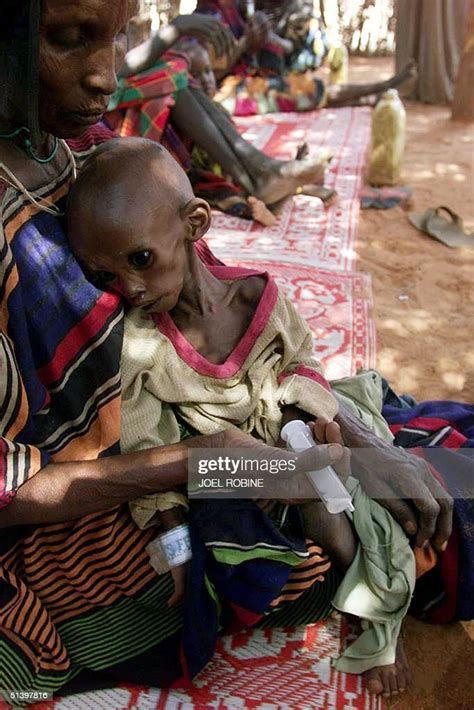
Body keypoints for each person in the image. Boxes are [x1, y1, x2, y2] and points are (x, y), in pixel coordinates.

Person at [0, 0, 457, 700]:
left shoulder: (62, 153)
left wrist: (363, 439)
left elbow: (226, 317)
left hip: (213, 442)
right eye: (67, 39)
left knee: (423, 460)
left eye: (117, 38)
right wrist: (208, 462)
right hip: (103, 513)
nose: (107, 78)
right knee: (411, 530)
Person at [66, 136, 421, 696]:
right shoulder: (141, 346)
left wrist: (308, 409)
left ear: (195, 225)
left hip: (293, 436)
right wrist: (174, 540)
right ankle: (368, 602)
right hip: (228, 465)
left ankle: (379, 613)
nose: (130, 288)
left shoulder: (260, 295)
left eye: (139, 260)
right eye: (106, 277)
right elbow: (145, 444)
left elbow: (303, 361)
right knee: (293, 516)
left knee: (367, 515)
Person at [105, 9, 332, 212]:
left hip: (215, 89)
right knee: (172, 73)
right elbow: (116, 70)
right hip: (108, 109)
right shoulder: (209, 10)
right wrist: (176, 28)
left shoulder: (238, 8)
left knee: (178, 76)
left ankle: (260, 173)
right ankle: (257, 175)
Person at [196, 0, 418, 116]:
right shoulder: (207, 14)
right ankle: (381, 89)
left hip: (245, 82)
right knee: (311, 91)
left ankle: (379, 91)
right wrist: (245, 43)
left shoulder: (238, 8)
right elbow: (208, 74)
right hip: (226, 94)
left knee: (312, 90)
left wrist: (257, 42)